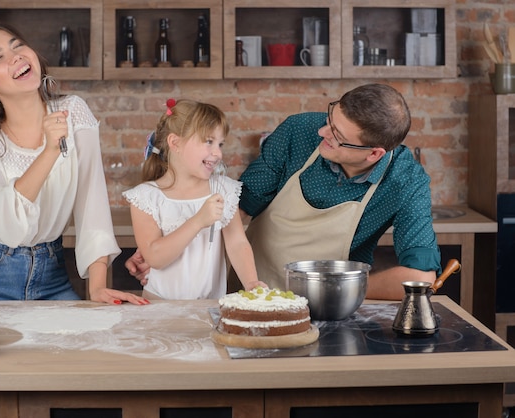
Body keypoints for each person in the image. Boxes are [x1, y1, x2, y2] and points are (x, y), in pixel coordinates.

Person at [127, 84, 441, 301]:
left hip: (330, 310)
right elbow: (237, 210)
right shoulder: (298, 132)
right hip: (251, 295)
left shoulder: (405, 181)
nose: (322, 132)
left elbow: (420, 278)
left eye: (336, 135)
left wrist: (333, 289)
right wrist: (167, 253)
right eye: (330, 118)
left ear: (373, 154)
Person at [0, 23, 148, 305]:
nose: (15, 56)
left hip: (50, 274)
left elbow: (92, 206)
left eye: (18, 45)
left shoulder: (73, 111)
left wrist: (97, 287)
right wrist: (49, 151)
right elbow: (8, 225)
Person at [122, 99, 266, 300]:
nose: (217, 153)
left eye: (220, 143)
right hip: (159, 307)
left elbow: (237, 243)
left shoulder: (223, 189)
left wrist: (251, 283)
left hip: (210, 306)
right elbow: (155, 257)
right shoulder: (146, 197)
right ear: (175, 143)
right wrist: (198, 221)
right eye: (209, 141)